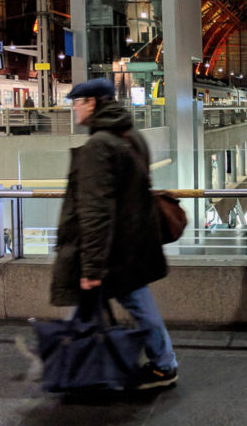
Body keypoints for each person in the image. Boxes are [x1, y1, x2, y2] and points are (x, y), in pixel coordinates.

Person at [50, 77, 178, 389]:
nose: (74, 109)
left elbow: (96, 211)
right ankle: (161, 363)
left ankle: (70, 367)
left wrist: (92, 267)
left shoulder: (98, 146)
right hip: (133, 242)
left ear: (92, 103)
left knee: (115, 302)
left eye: (77, 102)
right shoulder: (132, 135)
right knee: (129, 302)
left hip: (112, 249)